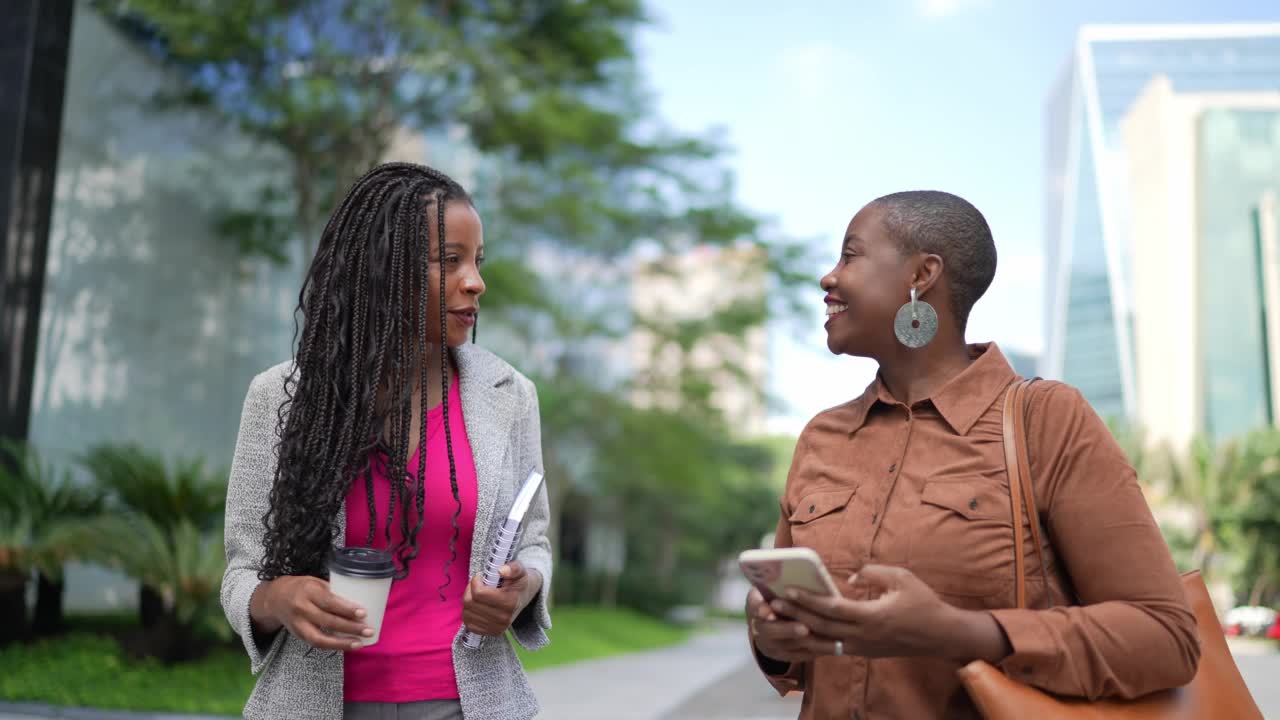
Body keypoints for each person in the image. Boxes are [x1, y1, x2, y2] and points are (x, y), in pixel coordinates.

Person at [746, 191, 1200, 719]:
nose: (829, 278)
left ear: (923, 275)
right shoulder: (822, 437)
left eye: (850, 256)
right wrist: (774, 639)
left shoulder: (1046, 420)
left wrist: (956, 631)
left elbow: (1167, 639)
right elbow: (801, 660)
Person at [220, 163, 552, 720]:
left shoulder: (509, 395)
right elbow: (241, 571)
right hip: (319, 703)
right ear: (382, 270)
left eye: (477, 262)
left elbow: (534, 540)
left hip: (470, 704)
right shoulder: (283, 397)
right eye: (450, 261)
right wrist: (276, 599)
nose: (475, 282)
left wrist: (520, 590)